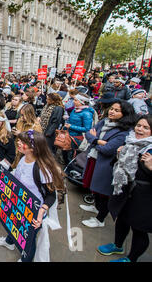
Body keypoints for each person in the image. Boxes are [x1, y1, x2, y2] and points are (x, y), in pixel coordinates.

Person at [0, 130, 64, 262]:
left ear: (33, 148)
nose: (18, 143)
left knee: (28, 241)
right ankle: (10, 241)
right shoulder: (22, 158)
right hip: (19, 203)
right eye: (19, 140)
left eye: (22, 142)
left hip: (33, 212)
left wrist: (42, 210)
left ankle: (26, 259)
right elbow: (18, 175)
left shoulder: (43, 169)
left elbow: (51, 196)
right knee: (13, 222)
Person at [97, 115, 152, 262]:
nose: (140, 129)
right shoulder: (130, 141)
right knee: (122, 220)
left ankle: (132, 258)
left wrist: (150, 168)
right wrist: (119, 155)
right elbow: (119, 167)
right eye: (139, 125)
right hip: (125, 191)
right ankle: (118, 245)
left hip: (144, 198)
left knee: (139, 230)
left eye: (146, 127)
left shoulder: (150, 150)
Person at [79, 100, 135, 228]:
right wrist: (99, 141)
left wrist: (95, 140)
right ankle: (95, 207)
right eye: (112, 109)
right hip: (94, 158)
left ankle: (100, 219)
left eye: (117, 110)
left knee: (103, 192)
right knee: (94, 187)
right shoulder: (104, 122)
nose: (112, 112)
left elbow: (108, 149)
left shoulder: (123, 131)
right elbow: (89, 134)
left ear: (125, 114)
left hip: (106, 165)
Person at [62, 94, 94, 165]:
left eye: (76, 100)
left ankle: (69, 169)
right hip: (68, 135)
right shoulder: (75, 109)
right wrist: (67, 118)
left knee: (70, 154)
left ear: (82, 102)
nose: (74, 101)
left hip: (76, 138)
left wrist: (71, 126)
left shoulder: (87, 114)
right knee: (64, 152)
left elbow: (87, 128)